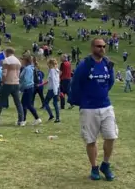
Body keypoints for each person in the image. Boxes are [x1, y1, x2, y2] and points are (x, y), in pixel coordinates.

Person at [68, 38, 117, 181]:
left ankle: (105, 164)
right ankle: (94, 167)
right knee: (91, 140)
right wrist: (80, 101)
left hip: (106, 106)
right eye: (98, 46)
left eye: (103, 46)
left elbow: (110, 81)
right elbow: (76, 84)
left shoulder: (107, 64)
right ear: (92, 48)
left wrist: (103, 92)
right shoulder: (84, 65)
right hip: (89, 108)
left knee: (111, 136)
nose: (102, 48)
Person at [0, 48, 23, 125]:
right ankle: (21, 120)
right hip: (16, 83)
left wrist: (2, 81)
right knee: (18, 103)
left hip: (8, 83)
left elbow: (4, 73)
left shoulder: (6, 60)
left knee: (0, 102)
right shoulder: (18, 61)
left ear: (7, 52)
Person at [19, 54, 42, 126]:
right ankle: (24, 120)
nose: (21, 61)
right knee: (24, 104)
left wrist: (21, 88)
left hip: (28, 88)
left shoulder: (28, 69)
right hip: (28, 88)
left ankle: (36, 119)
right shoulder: (28, 68)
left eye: (22, 60)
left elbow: (26, 80)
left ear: (26, 61)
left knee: (28, 105)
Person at [44, 58, 61, 122]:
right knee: (55, 103)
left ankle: (51, 115)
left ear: (51, 64)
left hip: (52, 89)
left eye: (48, 64)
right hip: (57, 88)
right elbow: (57, 81)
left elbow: (54, 81)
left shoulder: (52, 70)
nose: (47, 65)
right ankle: (57, 118)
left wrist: (55, 91)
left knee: (45, 102)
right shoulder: (57, 70)